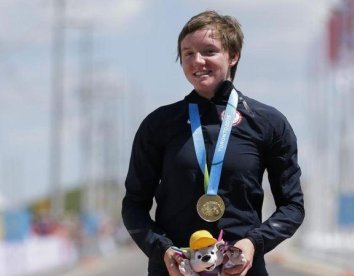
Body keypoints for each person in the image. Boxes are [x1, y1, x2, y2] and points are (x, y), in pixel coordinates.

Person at [122, 10, 305, 276]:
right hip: (175, 270)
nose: (197, 61)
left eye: (209, 51)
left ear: (233, 56)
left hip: (241, 269)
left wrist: (254, 243)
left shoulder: (268, 123)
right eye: (188, 53)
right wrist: (162, 250)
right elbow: (134, 206)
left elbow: (292, 207)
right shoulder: (158, 125)